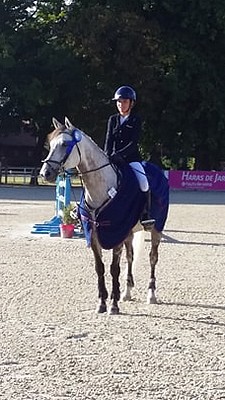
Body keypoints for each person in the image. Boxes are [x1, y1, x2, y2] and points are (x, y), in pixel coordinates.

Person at [104, 85, 154, 230]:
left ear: (131, 103)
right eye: (119, 102)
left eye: (124, 101)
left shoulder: (135, 120)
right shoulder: (112, 119)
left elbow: (134, 143)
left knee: (144, 183)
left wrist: (121, 155)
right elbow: (108, 140)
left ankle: (146, 214)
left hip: (131, 159)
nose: (121, 104)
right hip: (113, 159)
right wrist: (107, 155)